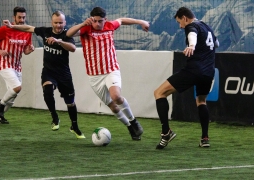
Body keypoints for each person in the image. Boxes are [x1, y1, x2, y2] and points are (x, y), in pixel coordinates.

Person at [66, 7, 149, 140]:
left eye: (100, 21)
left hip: (111, 70)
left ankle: (133, 121)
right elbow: (69, 34)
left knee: (116, 96)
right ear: (91, 19)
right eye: (95, 21)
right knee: (113, 106)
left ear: (105, 19)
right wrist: (83, 24)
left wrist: (140, 22)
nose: (98, 24)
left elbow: (121, 20)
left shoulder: (110, 25)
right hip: (94, 76)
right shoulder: (86, 29)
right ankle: (130, 127)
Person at [3, 11, 85, 138]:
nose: (58, 25)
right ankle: (55, 117)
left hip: (64, 74)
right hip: (48, 72)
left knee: (70, 103)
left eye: (61, 22)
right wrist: (12, 26)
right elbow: (29, 28)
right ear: (52, 23)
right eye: (56, 23)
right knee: (47, 90)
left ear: (65, 23)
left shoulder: (67, 34)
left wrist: (59, 42)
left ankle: (74, 126)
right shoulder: (45, 32)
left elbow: (73, 48)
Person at [154, 7, 219, 149]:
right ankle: (205, 138)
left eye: (179, 22)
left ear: (184, 18)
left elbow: (192, 35)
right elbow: (217, 43)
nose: (180, 26)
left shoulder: (191, 26)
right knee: (201, 101)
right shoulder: (207, 27)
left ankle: (166, 132)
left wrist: (192, 45)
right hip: (208, 72)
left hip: (194, 70)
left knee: (159, 93)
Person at [0, 6, 34, 124]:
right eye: (19, 17)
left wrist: (30, 50)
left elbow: (25, 51)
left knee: (12, 97)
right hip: (4, 64)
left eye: (23, 17)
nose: (22, 20)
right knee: (17, 88)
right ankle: (0, 104)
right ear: (14, 17)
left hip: (17, 66)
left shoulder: (27, 32)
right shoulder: (5, 29)